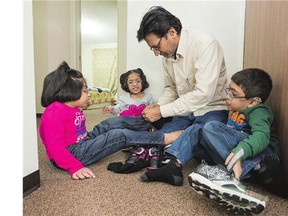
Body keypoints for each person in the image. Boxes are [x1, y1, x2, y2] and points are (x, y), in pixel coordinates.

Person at [39, 61, 182, 180]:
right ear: (69, 92)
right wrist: (74, 167)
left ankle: (149, 121)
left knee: (111, 123)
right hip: (72, 153)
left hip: (82, 141)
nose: (88, 94)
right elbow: (55, 147)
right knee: (118, 135)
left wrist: (84, 103)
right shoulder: (54, 112)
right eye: (85, 91)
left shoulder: (71, 106)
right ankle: (162, 138)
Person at [136, 6, 228, 186]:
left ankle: (173, 165)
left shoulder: (205, 44)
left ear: (171, 32)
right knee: (162, 134)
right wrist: (158, 107)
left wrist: (163, 111)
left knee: (203, 131)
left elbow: (203, 95)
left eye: (156, 46)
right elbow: (171, 88)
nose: (156, 53)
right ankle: (160, 152)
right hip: (186, 110)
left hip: (212, 108)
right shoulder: (167, 56)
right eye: (152, 49)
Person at [189, 68, 287, 215]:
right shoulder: (236, 109)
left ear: (253, 102)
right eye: (228, 91)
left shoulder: (260, 111)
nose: (227, 97)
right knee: (199, 144)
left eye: (233, 94)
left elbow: (261, 137)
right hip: (248, 165)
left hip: (265, 158)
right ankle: (233, 180)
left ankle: (229, 178)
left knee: (211, 127)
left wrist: (239, 153)